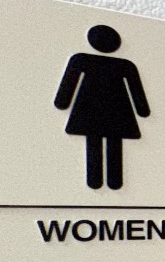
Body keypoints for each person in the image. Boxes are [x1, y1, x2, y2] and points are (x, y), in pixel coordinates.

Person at [54, 24, 150, 190]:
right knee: (110, 143)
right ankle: (110, 182)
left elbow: (68, 87)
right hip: (117, 109)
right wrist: (142, 110)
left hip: (90, 107)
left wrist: (63, 102)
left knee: (96, 142)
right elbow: (137, 92)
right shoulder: (124, 65)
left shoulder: (83, 59)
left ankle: (98, 181)